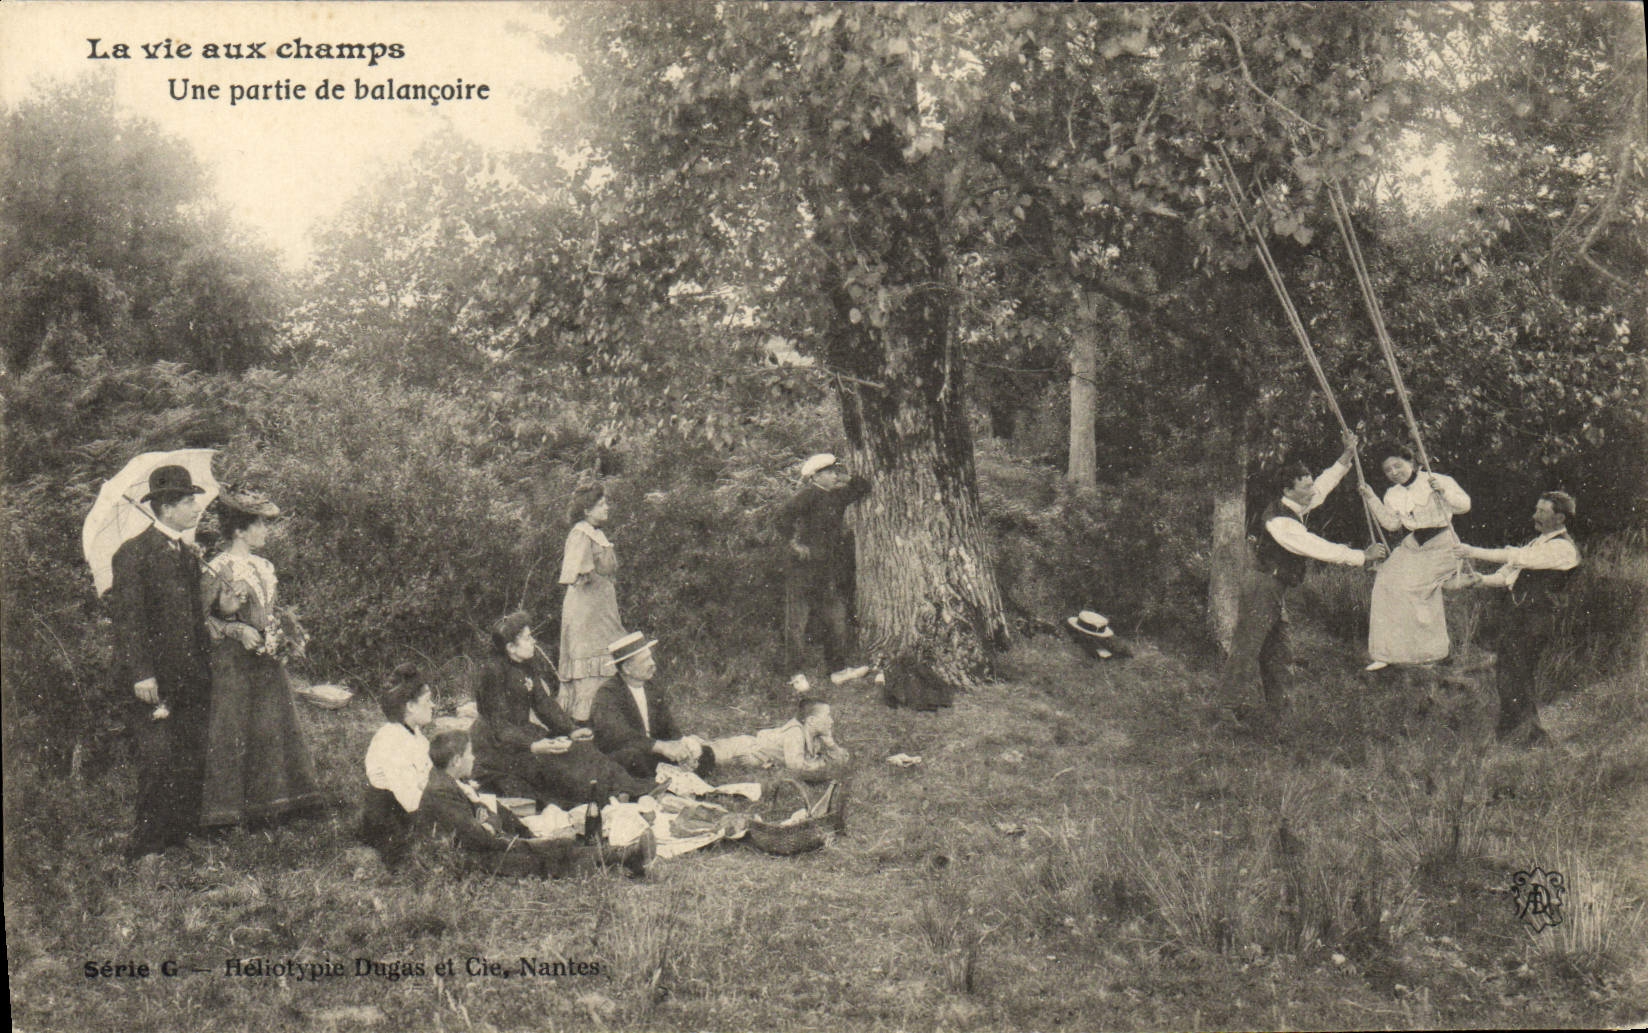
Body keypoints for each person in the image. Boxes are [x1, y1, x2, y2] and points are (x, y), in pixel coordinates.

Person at [1218, 440, 1389, 732]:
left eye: (1310, 484)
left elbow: (1322, 486)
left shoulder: (1296, 503)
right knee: (1248, 647)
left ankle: (1278, 712)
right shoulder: (1280, 522)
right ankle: (1226, 710)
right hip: (1262, 586)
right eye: (1305, 487)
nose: (1312, 491)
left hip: (1274, 588)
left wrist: (1346, 457)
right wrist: (1361, 556)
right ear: (1288, 490)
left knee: (1278, 650)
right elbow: (1316, 547)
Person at [107, 464, 215, 859]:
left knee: (189, 754)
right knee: (157, 761)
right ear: (167, 507)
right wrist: (141, 673)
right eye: (189, 501)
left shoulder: (187, 554)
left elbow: (191, 617)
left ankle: (178, 836)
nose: (195, 509)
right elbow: (128, 620)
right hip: (152, 680)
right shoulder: (133, 554)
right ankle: (147, 847)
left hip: (190, 677)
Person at [198, 490, 324, 827]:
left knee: (271, 727)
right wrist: (232, 625)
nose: (267, 531)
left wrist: (284, 633)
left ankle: (276, 805)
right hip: (233, 664)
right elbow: (199, 621)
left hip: (266, 660)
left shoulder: (264, 565)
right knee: (235, 728)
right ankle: (229, 814)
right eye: (260, 525)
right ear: (239, 530)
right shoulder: (217, 567)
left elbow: (270, 612)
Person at [471, 612, 657, 809]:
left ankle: (632, 789)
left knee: (580, 749)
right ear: (510, 647)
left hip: (524, 735)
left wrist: (570, 729)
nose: (533, 641)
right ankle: (613, 796)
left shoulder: (526, 665)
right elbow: (498, 724)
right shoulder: (491, 672)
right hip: (498, 746)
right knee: (556, 764)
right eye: (527, 637)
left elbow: (543, 703)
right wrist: (533, 745)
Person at [419, 730, 653, 878]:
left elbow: (486, 816)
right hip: (476, 861)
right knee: (547, 856)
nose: (474, 758)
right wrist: (490, 822)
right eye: (469, 754)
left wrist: (489, 820)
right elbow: (480, 835)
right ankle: (622, 857)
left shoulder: (452, 782)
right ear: (456, 761)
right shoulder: (442, 792)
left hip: (487, 849)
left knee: (556, 845)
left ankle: (623, 856)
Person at [1452, 491, 1581, 747]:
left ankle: (1531, 738)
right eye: (1536, 510)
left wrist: (1472, 551)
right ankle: (1514, 735)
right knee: (1509, 675)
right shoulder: (1539, 543)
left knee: (1518, 677)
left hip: (1536, 620)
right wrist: (1481, 579)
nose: (1535, 516)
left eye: (1542, 512)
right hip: (1519, 617)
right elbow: (1508, 574)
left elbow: (1518, 558)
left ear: (1560, 517)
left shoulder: (1562, 547)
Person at [1357, 446, 1472, 670]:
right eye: (1388, 470)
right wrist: (1371, 498)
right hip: (1413, 545)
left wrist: (1444, 493)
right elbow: (1391, 524)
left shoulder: (1436, 480)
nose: (1393, 472)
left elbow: (1465, 506)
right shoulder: (1393, 494)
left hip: (1442, 543)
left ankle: (1428, 653)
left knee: (1413, 588)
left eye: (1398, 465)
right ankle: (1386, 652)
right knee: (1385, 581)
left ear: (1411, 462)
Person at [778, 453, 870, 677]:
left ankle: (837, 669)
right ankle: (795, 674)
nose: (833, 476)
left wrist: (846, 478)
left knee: (836, 616)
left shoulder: (836, 496)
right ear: (815, 477)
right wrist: (794, 543)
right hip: (803, 568)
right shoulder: (808, 495)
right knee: (797, 621)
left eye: (833, 471)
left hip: (826, 568)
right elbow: (783, 517)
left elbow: (862, 486)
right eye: (828, 472)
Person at [589, 632, 710, 779]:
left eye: (651, 657)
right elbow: (618, 736)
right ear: (627, 668)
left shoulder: (652, 688)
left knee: (703, 752)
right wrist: (661, 747)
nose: (653, 663)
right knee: (634, 758)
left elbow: (668, 726)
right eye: (645, 660)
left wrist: (681, 747)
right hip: (625, 754)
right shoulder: (607, 694)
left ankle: (670, 779)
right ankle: (656, 784)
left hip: (652, 752)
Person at [557, 483, 626, 721]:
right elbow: (574, 574)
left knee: (610, 657)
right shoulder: (580, 533)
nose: (607, 507)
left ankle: (606, 720)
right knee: (590, 661)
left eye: (606, 502)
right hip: (586, 614)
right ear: (587, 510)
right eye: (601, 504)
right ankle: (584, 721)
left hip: (602, 612)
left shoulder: (596, 533)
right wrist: (584, 573)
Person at [359, 665, 435, 864]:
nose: (433, 705)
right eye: (428, 700)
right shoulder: (390, 740)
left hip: (410, 808)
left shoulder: (415, 735)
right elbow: (410, 800)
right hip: (391, 817)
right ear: (410, 706)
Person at [707, 687, 850, 777]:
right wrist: (822, 763)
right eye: (828, 716)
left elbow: (843, 759)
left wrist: (831, 744)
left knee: (702, 757)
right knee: (701, 753)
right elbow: (797, 768)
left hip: (758, 755)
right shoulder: (795, 734)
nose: (831, 721)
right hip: (745, 748)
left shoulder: (816, 736)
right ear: (811, 721)